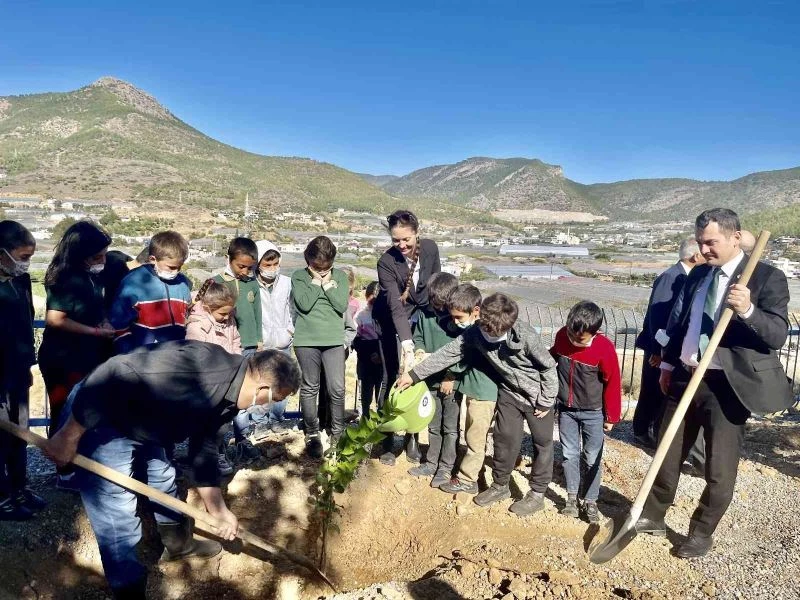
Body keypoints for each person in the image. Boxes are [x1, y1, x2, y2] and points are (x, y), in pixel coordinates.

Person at [42, 341, 301, 599]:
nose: (265, 407)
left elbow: (204, 449)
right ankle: (128, 590)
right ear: (263, 388)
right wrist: (68, 435)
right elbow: (113, 372)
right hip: (103, 413)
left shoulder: (229, 396)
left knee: (163, 477)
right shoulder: (201, 372)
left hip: (148, 419)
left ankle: (178, 545)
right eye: (273, 400)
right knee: (117, 512)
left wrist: (219, 511)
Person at [636, 208, 793, 559]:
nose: (705, 249)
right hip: (685, 376)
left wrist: (749, 310)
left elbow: (778, 334)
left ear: (735, 237)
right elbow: (681, 324)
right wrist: (667, 364)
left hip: (727, 387)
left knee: (718, 469)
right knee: (666, 453)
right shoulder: (698, 277)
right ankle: (652, 516)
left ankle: (701, 532)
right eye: (701, 242)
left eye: (712, 242)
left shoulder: (766, 278)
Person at [397, 293, 558, 516]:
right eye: (484, 329)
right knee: (504, 441)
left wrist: (546, 400)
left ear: (506, 327)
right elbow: (448, 354)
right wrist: (413, 375)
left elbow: (548, 367)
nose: (487, 335)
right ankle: (500, 486)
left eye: (493, 333)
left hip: (538, 397)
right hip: (510, 393)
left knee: (542, 444)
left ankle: (537, 494)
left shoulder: (525, 335)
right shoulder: (475, 332)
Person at [38, 220, 115, 491]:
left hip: (88, 355)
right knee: (64, 411)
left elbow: (97, 306)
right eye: (98, 256)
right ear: (81, 254)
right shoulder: (65, 278)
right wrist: (95, 332)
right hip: (64, 358)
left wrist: (104, 322)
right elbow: (56, 319)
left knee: (85, 409)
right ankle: (65, 470)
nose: (103, 260)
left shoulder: (92, 275)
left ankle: (82, 462)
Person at [373, 210, 441, 465]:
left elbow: (436, 287)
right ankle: (388, 437)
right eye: (396, 240)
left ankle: (413, 434)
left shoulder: (431, 249)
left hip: (423, 318)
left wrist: (435, 328)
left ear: (417, 233)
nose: (401, 245)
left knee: (417, 377)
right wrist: (406, 341)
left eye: (406, 240)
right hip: (392, 323)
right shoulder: (386, 262)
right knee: (391, 377)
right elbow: (394, 305)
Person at [551, 301, 621, 524]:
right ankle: (572, 498)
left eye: (580, 338)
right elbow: (552, 357)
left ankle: (590, 500)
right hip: (567, 411)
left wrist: (612, 416)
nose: (573, 340)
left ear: (595, 332)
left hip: (593, 412)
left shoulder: (604, 348)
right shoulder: (562, 336)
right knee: (570, 453)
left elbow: (613, 383)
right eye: (571, 333)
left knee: (592, 457)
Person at [633, 238, 704, 448]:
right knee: (651, 390)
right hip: (658, 347)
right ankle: (641, 430)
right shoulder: (671, 277)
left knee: (661, 390)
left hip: (666, 348)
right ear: (695, 256)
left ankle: (652, 428)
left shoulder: (684, 276)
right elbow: (658, 316)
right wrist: (658, 350)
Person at [0, 221, 46, 519]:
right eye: (22, 256)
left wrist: (27, 365)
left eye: (29, 256)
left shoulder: (21, 282)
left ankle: (19, 487)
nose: (25, 262)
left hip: (17, 372)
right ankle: (2, 497)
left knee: (20, 432)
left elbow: (26, 325)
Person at [291, 236, 349, 458]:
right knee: (310, 387)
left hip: (334, 340)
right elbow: (304, 305)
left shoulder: (341, 276)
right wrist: (317, 282)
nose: (322, 271)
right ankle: (312, 433)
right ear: (309, 261)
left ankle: (337, 433)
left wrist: (327, 284)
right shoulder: (298, 277)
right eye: (316, 267)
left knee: (337, 389)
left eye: (326, 268)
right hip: (306, 340)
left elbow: (340, 304)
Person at [438, 284, 498, 495]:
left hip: (484, 392)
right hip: (474, 389)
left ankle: (468, 480)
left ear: (476, 310)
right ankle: (473, 472)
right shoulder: (476, 329)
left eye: (459, 318)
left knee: (475, 438)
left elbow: (465, 359)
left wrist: (450, 375)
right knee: (472, 433)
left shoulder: (483, 333)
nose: (455, 322)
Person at [407, 272, 460, 488]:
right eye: (434, 303)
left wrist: (451, 375)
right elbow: (418, 336)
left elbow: (463, 352)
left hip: (450, 383)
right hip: (429, 381)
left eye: (441, 304)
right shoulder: (425, 316)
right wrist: (419, 349)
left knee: (450, 427)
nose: (438, 308)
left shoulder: (457, 320)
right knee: (433, 424)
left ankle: (446, 467)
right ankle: (431, 462)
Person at [185, 279, 241, 475]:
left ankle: (217, 453)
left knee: (222, 424)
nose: (226, 317)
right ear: (208, 308)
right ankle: (199, 459)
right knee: (202, 426)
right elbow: (196, 357)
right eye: (222, 314)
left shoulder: (229, 320)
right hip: (206, 385)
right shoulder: (197, 327)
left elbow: (235, 342)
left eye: (229, 313)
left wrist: (237, 362)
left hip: (227, 381)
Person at [109, 231, 192, 354]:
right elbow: (118, 324)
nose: (176, 271)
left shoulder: (183, 283)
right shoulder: (132, 283)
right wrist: (130, 354)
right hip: (143, 357)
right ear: (153, 259)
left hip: (177, 355)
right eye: (171, 267)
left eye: (179, 267)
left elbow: (187, 315)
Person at [249, 240, 293, 441]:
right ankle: (259, 422)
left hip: (283, 341)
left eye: (275, 264)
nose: (272, 269)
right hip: (263, 343)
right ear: (258, 264)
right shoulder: (251, 285)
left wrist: (291, 331)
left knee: (283, 382)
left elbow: (293, 309)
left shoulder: (287, 283)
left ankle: (277, 418)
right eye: (267, 265)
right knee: (262, 384)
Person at [213, 237, 263, 356]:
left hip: (250, 344)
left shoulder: (252, 283)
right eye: (241, 267)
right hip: (226, 344)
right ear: (228, 259)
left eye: (250, 268)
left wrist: (259, 340)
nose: (245, 272)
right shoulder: (215, 283)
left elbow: (257, 312)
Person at [353, 281, 383, 417]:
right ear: (366, 297)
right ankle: (365, 419)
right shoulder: (361, 316)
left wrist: (380, 355)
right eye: (371, 300)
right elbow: (355, 339)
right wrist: (369, 354)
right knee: (365, 394)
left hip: (382, 361)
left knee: (381, 393)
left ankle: (381, 423)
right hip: (365, 360)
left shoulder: (386, 316)